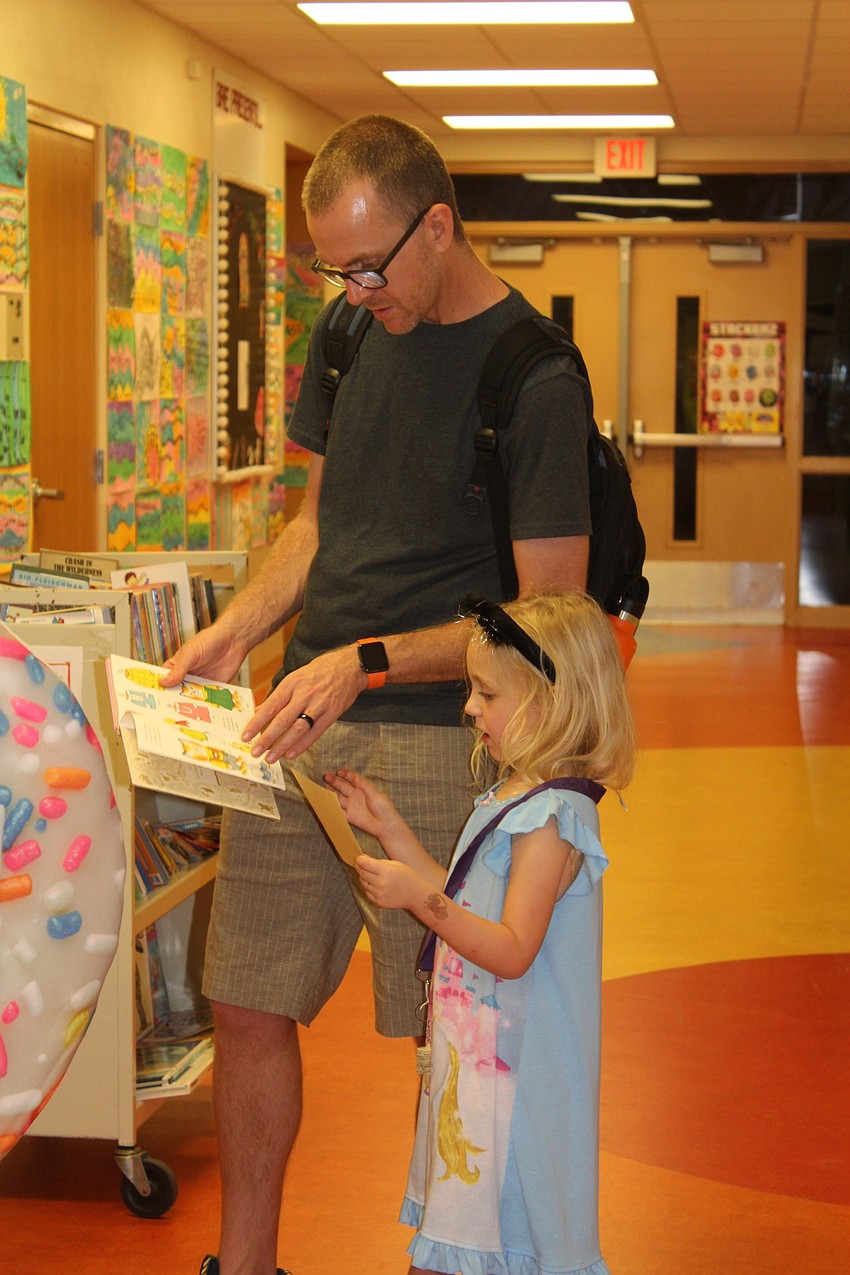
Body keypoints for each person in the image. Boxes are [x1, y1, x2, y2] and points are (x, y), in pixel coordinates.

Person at [162, 114, 593, 1275]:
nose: (354, 292)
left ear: (438, 227)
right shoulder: (349, 333)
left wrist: (365, 661)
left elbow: (546, 619)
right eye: (333, 270)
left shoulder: (533, 376)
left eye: (368, 266)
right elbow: (318, 523)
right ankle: (244, 1263)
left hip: (443, 740)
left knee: (443, 1033)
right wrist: (237, 631)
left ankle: (443, 1261)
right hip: (297, 723)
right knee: (245, 1000)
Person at [325, 591, 636, 1275]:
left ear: (553, 702)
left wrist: (419, 899)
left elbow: (512, 949)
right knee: (463, 1247)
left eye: (487, 694)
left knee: (485, 1247)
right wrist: (389, 827)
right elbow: (466, 897)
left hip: (515, 1090)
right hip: (480, 1072)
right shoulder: (516, 795)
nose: (470, 708)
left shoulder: (552, 817)